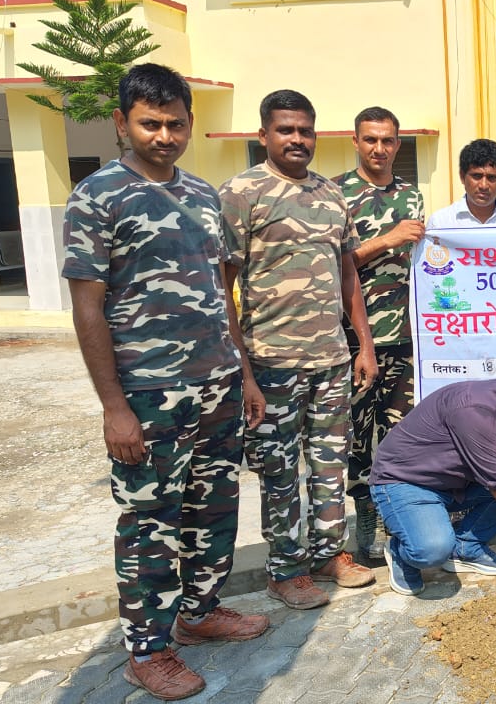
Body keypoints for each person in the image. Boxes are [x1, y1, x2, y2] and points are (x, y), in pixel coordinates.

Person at [62, 63, 268, 701]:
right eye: (150, 124)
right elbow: (88, 307)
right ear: (121, 122)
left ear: (190, 124)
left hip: (218, 386)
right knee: (150, 520)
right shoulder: (98, 196)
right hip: (150, 394)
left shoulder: (204, 196)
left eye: (176, 124)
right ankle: (147, 650)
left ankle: (199, 612)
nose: (164, 136)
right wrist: (113, 407)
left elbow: (221, 295)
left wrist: (245, 375)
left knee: (214, 508)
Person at [219, 90, 378, 610]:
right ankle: (285, 570)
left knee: (330, 465)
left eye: (305, 130)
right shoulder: (242, 193)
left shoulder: (331, 195)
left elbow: (348, 275)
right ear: (263, 134)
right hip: (271, 363)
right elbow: (222, 285)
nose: (297, 139)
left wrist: (364, 345)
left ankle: (329, 555)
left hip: (331, 361)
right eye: (285, 130)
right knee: (280, 472)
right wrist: (243, 372)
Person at [370, 362, 496, 596]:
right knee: (432, 550)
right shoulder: (474, 409)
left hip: (456, 483)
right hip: (407, 481)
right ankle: (400, 551)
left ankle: (466, 548)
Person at [333, 106, 426, 562]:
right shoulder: (336, 194)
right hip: (356, 340)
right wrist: (387, 239)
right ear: (355, 141)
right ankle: (364, 514)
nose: (379, 148)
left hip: (406, 340)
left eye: (387, 140)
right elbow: (333, 264)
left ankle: (396, 517)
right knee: (356, 437)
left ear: (397, 144)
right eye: (370, 139)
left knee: (401, 437)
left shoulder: (411, 196)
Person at [426, 138, 496, 229]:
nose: (483, 185)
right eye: (476, 176)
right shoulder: (440, 223)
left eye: (491, 178)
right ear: (462, 176)